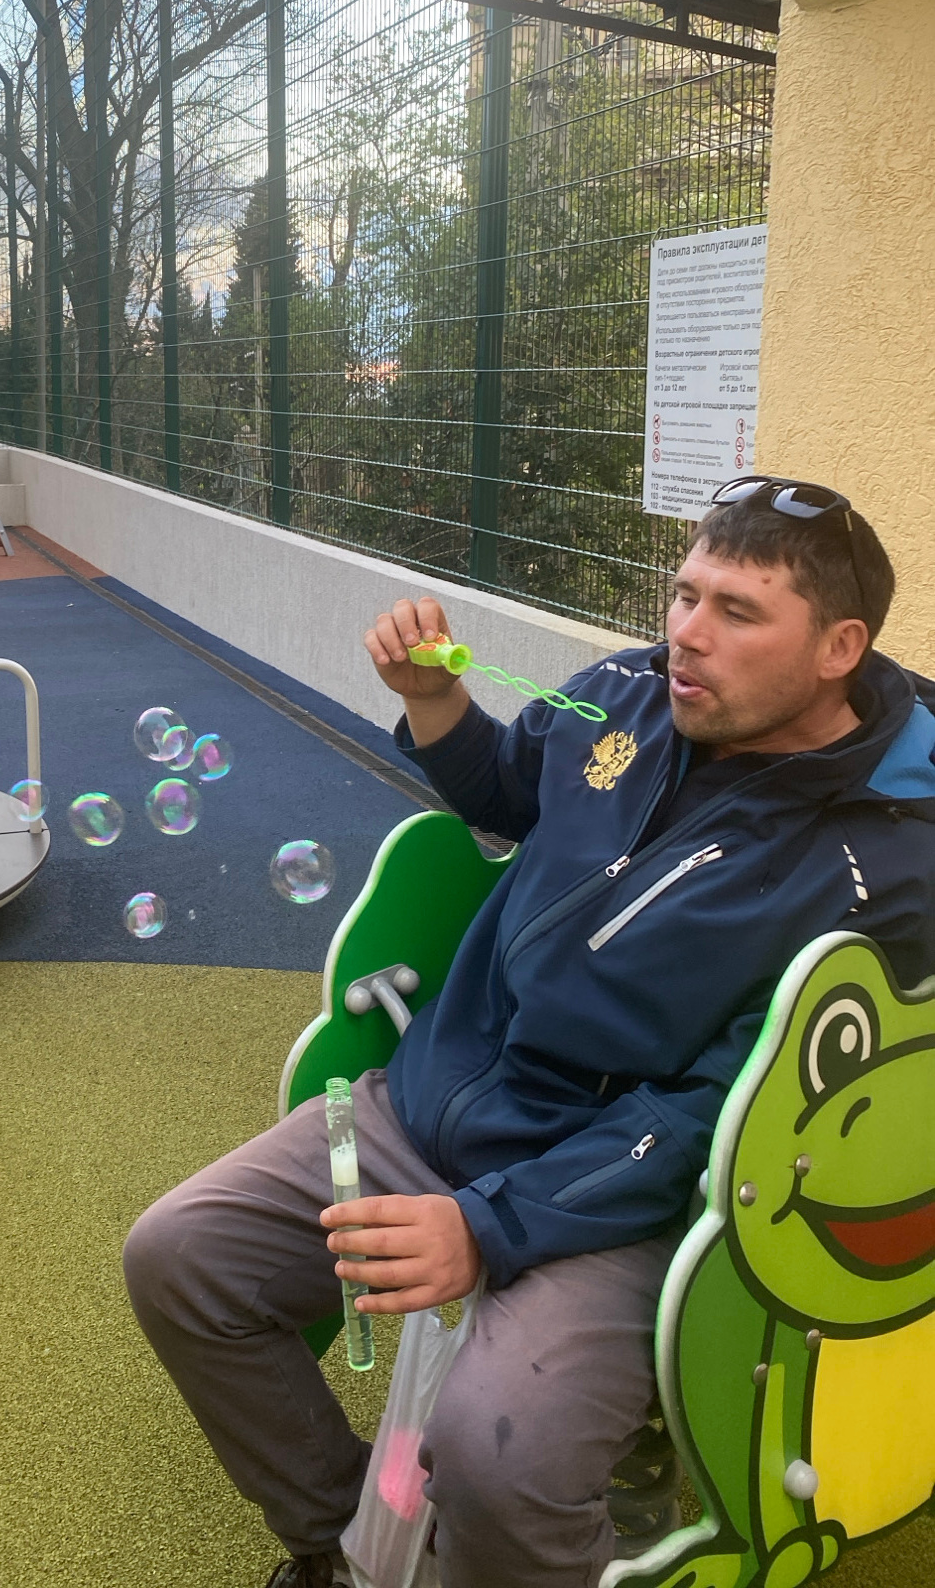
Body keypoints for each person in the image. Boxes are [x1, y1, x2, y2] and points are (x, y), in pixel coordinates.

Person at [124, 477, 935, 1588]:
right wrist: (436, 705)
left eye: (737, 610)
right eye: (685, 593)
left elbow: (722, 1112)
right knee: (182, 1260)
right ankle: (340, 1537)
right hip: (439, 1100)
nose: (687, 634)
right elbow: (511, 791)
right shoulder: (628, 692)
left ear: (840, 646)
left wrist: (487, 1224)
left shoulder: (890, 864)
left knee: (497, 1456)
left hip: (629, 1196)